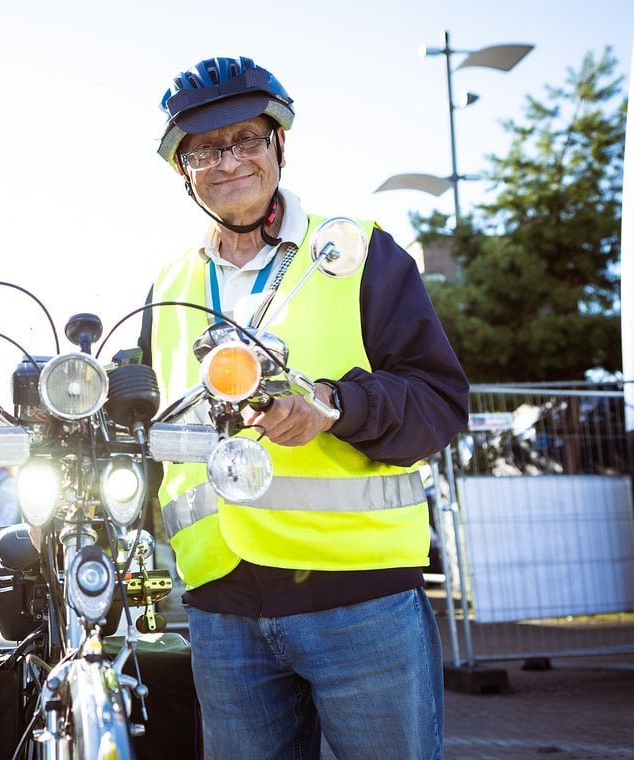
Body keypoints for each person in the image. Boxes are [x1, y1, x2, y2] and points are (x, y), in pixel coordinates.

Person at [144, 56, 469, 759]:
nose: (228, 161)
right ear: (182, 170)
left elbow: (439, 401)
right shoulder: (168, 287)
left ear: (279, 145)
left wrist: (333, 404)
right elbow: (155, 436)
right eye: (204, 149)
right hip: (221, 607)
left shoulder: (359, 252)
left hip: (359, 601)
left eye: (246, 139)